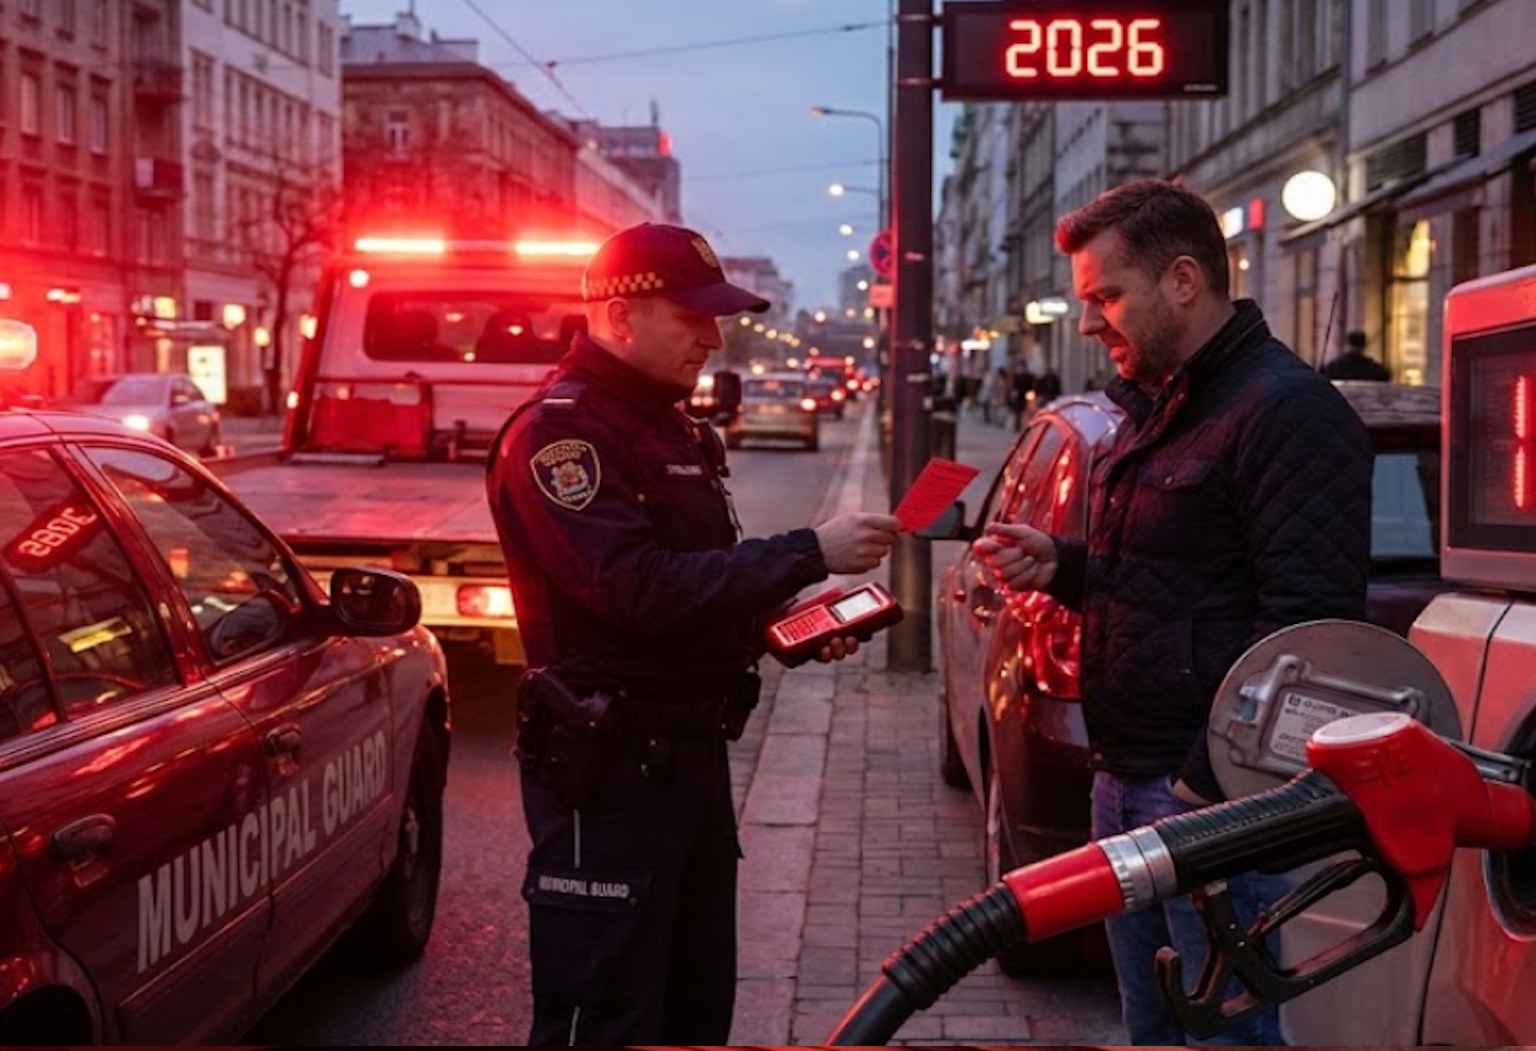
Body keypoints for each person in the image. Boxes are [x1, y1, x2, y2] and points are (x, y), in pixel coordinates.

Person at [972, 179, 1372, 1046]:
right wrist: (1066, 567)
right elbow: (1178, 578)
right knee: (1155, 1027)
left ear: (1183, 280)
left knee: (1226, 1033)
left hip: (1207, 802)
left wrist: (1200, 782)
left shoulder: (1284, 411)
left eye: (1106, 296)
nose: (1088, 324)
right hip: (1127, 782)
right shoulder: (1162, 406)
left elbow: (1306, 633)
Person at [485, 222, 901, 1045]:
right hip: (608, 777)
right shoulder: (561, 435)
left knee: (693, 1007)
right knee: (603, 1016)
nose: (715, 337)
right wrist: (807, 551)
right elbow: (633, 590)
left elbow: (691, 589)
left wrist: (774, 625)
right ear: (618, 315)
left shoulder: (668, 426)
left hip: (690, 764)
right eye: (693, 318)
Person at [1320, 329, 1391, 381]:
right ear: (1364, 346)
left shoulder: (1334, 368)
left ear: (1347, 344)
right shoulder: (1375, 370)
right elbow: (1385, 376)